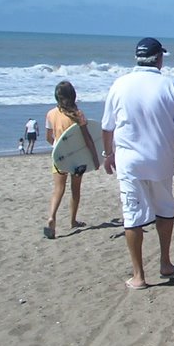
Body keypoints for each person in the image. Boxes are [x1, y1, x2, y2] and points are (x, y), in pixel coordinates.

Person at [102, 38, 174, 291]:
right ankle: (165, 262)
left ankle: (138, 275)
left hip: (129, 161)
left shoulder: (119, 84)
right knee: (165, 209)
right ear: (159, 58)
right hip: (160, 160)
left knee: (132, 216)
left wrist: (107, 153)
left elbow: (107, 126)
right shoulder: (169, 86)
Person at [44, 81, 100, 239]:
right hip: (76, 158)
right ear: (73, 95)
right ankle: (73, 221)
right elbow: (87, 139)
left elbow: (49, 138)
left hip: (59, 156)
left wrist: (58, 149)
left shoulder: (50, 114)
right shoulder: (78, 114)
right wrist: (95, 159)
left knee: (58, 189)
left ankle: (52, 216)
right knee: (75, 190)